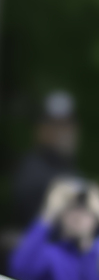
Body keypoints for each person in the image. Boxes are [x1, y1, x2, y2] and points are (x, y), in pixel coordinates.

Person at [10, 92, 81, 237]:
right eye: (56, 126)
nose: (64, 132)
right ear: (41, 130)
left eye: (68, 125)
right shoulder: (30, 171)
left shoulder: (72, 171)